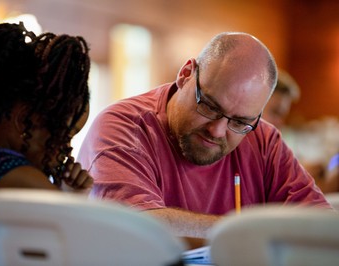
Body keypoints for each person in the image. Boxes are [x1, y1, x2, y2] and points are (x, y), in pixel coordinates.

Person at [77, 32, 332, 239]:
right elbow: (136, 228)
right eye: (209, 106)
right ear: (186, 74)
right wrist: (252, 233)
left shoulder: (263, 139)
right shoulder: (123, 127)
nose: (218, 130)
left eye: (241, 121)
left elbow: (323, 228)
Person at [0, 22, 93, 203]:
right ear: (23, 120)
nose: (67, 150)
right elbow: (74, 229)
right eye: (64, 133)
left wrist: (63, 191)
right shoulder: (23, 180)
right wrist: (72, 198)